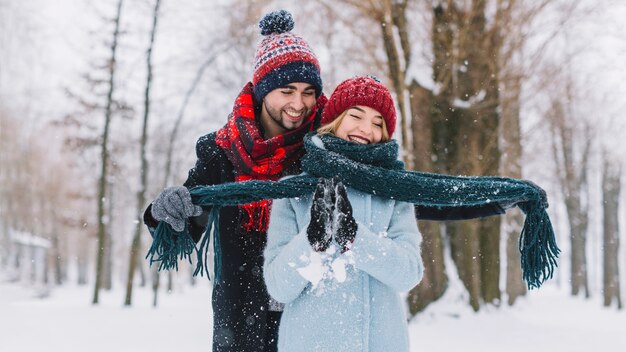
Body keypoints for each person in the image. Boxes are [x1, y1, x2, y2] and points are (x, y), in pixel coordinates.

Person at [143, 10, 326, 352]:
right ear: (262, 91)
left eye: (308, 92)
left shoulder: (323, 150)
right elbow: (187, 225)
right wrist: (167, 210)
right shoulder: (221, 152)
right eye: (287, 90)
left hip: (313, 318)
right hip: (243, 324)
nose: (299, 104)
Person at [263, 76, 424, 352]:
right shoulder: (295, 188)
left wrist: (356, 240)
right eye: (356, 116)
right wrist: (311, 241)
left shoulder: (394, 190)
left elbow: (409, 273)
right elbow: (278, 287)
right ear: (335, 119)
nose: (366, 129)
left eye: (378, 123)